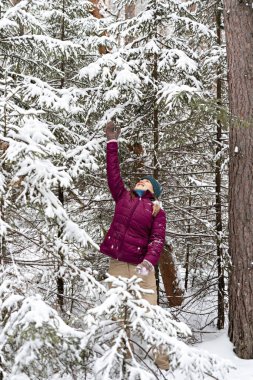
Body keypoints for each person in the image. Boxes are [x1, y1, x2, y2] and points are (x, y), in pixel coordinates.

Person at [99, 121, 169, 370]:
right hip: (118, 264)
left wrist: (148, 263)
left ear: (154, 190)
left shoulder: (155, 209)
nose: (141, 181)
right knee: (118, 313)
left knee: (151, 313)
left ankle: (163, 363)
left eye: (146, 181)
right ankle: (123, 361)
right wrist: (111, 142)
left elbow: (157, 239)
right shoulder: (123, 196)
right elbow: (113, 173)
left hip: (142, 268)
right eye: (139, 179)